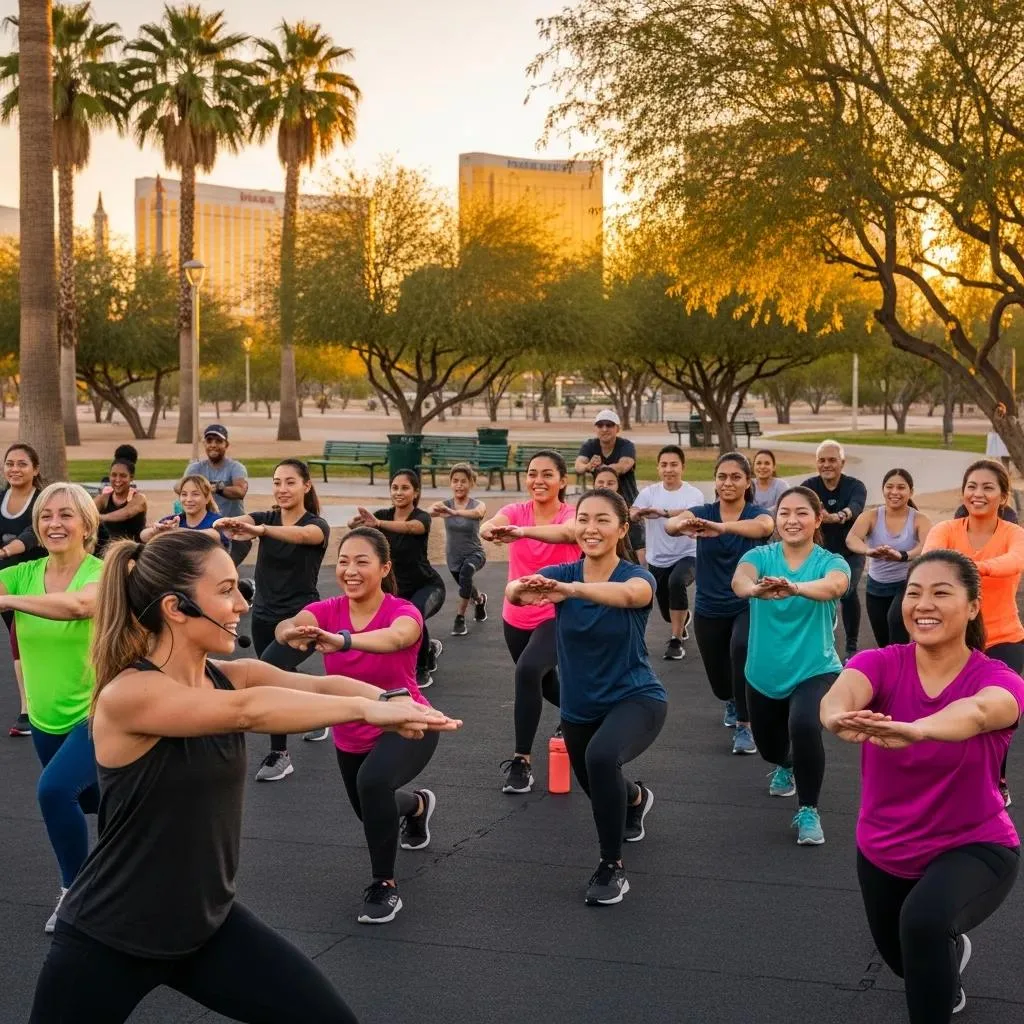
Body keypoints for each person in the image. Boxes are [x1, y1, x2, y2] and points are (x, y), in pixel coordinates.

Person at [29, 529, 459, 1023]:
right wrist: (364, 708)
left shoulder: (229, 673)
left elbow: (317, 683)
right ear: (176, 607)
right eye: (227, 589)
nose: (241, 603)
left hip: (205, 926)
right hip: (110, 935)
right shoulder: (130, 696)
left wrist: (391, 701)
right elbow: (247, 713)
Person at [820, 550, 1022, 1023]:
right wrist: (834, 717)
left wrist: (920, 728)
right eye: (914, 592)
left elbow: (977, 711)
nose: (922, 604)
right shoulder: (881, 662)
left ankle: (938, 947)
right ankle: (944, 962)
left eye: (941, 592)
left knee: (924, 923)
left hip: (976, 846)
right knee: (907, 962)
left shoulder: (998, 679)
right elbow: (841, 693)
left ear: (973, 606)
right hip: (884, 848)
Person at [507, 488, 666, 906]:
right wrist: (525, 589)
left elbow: (631, 597)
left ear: (622, 529)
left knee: (600, 759)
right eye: (583, 519)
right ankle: (636, 797)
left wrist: (572, 591)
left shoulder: (637, 576)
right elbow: (515, 593)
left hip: (636, 699)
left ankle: (611, 866)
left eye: (602, 520)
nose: (590, 528)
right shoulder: (563, 571)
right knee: (599, 785)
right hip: (580, 706)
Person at [275, 527, 442, 924]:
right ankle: (417, 805)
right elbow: (288, 625)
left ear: (384, 568)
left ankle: (385, 885)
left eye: (362, 561)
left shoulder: (403, 612)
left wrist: (344, 641)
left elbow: (394, 638)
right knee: (371, 811)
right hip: (353, 731)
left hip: (408, 723)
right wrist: (292, 632)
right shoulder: (328, 609)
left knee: (372, 784)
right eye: (344, 561)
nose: (350, 570)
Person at [0, 483, 103, 931]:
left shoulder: (105, 572)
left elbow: (79, 607)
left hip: (98, 714)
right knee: (94, 803)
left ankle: (75, 895)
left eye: (65, 515)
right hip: (46, 717)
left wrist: (7, 601)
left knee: (54, 792)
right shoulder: (23, 573)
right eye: (46, 516)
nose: (54, 524)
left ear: (86, 523)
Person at [732, 486, 849, 846]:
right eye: (784, 513)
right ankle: (785, 764)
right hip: (764, 672)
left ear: (817, 519)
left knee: (803, 724)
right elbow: (740, 582)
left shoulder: (831, 561)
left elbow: (834, 587)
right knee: (769, 749)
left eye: (801, 513)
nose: (791, 520)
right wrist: (754, 591)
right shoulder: (760, 556)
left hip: (816, 668)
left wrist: (795, 588)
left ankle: (809, 809)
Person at [214, 459, 331, 781]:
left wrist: (260, 531)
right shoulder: (264, 517)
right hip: (263, 616)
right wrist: (227, 523)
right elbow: (243, 519)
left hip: (300, 619)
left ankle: (280, 754)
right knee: (280, 672)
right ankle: (317, 708)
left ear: (306, 485)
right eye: (277, 482)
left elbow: (301, 536)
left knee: (267, 675)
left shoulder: (317, 525)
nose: (282, 489)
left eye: (290, 482)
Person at [923, 459, 1024, 806]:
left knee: (995, 715)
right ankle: (951, 781)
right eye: (972, 486)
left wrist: (972, 567)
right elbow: (931, 557)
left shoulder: (1015, 535)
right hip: (954, 640)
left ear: (1003, 496)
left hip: (1003, 638)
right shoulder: (947, 529)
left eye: (987, 487)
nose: (977, 493)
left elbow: (1014, 562)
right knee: (950, 711)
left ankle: (996, 779)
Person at [482, 449, 580, 794]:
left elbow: (568, 535)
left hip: (556, 614)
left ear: (563, 481)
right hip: (516, 615)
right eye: (532, 473)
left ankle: (522, 761)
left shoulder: (571, 514)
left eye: (547, 474)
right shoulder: (515, 511)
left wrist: (522, 532)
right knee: (540, 682)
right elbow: (490, 524)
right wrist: (492, 530)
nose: (538, 480)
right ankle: (584, 709)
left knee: (526, 671)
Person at [666, 451, 774, 754]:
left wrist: (722, 528)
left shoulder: (755, 513)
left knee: (741, 650)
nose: (728, 482)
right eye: (722, 476)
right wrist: (679, 525)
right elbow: (673, 524)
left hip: (746, 603)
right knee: (719, 681)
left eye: (736, 477)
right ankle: (730, 699)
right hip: (708, 606)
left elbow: (765, 527)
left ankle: (745, 725)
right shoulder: (703, 511)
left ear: (747, 482)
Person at [350, 470, 446, 689]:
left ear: (416, 492)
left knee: (415, 614)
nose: (399, 492)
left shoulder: (421, 517)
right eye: (395, 487)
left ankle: (421, 667)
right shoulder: (383, 514)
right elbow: (360, 529)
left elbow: (413, 528)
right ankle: (428, 649)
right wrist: (353, 523)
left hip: (428, 586)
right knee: (385, 621)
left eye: (405, 488)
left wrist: (379, 524)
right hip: (397, 589)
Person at [631, 445, 705, 660]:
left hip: (688, 555)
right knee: (666, 610)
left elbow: (690, 514)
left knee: (676, 582)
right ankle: (681, 621)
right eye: (664, 465)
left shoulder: (693, 494)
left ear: (683, 467)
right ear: (658, 468)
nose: (669, 469)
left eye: (674, 465)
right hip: (658, 559)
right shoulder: (650, 492)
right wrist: (639, 514)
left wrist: (662, 512)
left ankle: (676, 641)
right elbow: (633, 511)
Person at [846, 468, 931, 648]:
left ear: (911, 491)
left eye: (901, 488)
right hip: (876, 586)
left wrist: (903, 556)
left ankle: (905, 671)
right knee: (884, 641)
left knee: (896, 622)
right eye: (889, 487)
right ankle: (893, 671)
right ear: (883, 489)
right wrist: (868, 551)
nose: (894, 492)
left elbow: (927, 545)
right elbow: (852, 539)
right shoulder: (872, 516)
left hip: (906, 584)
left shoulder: (919, 519)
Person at [801, 440, 867, 660]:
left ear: (842, 462)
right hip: (819, 553)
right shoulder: (808, 486)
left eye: (832, 460)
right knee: (814, 595)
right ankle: (817, 643)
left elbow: (856, 507)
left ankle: (851, 647)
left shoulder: (855, 486)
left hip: (850, 552)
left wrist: (838, 516)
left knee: (847, 592)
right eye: (822, 460)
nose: (826, 464)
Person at [0, 442, 45, 737]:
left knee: (24, 640)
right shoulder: (1, 498)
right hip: (5, 580)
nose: (14, 469)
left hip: (36, 579)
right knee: (19, 643)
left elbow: (32, 534)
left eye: (21, 464)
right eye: (10, 463)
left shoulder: (42, 500)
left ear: (35, 469)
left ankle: (28, 711)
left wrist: (4, 552)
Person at [575, 409, 644, 560]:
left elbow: (625, 464)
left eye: (609, 425)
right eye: (600, 425)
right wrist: (588, 466)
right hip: (600, 504)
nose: (604, 429)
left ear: (617, 429)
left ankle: (645, 577)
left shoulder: (626, 445)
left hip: (627, 503)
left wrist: (602, 468)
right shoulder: (590, 445)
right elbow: (578, 465)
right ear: (596, 428)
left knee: (635, 545)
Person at [429, 462, 488, 636]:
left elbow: (478, 514)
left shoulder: (478, 504)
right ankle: (479, 600)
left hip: (475, 553)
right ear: (451, 483)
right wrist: (435, 510)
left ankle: (459, 618)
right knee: (466, 584)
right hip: (453, 557)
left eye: (463, 481)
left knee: (466, 573)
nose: (459, 485)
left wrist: (454, 512)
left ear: (471, 483)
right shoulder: (445, 504)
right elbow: (429, 510)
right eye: (455, 481)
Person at [182, 424, 251, 566]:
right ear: (204, 444)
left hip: (234, 532)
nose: (213, 445)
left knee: (224, 567)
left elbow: (240, 491)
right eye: (209, 441)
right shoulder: (195, 468)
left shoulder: (235, 467)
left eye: (218, 441)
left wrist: (217, 487)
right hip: (204, 529)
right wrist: (200, 485)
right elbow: (179, 487)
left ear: (226, 444)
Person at [142, 475, 226, 547]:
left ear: (207, 498)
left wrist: (175, 531)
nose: (188, 499)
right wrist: (157, 530)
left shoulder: (218, 521)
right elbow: (143, 536)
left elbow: (213, 535)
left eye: (195, 494)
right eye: (184, 494)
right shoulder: (173, 520)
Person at [94, 457, 148, 556]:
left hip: (135, 552)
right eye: (114, 475)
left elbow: (126, 513)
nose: (117, 480)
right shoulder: (103, 499)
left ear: (131, 478)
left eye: (123, 476)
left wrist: (98, 517)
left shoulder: (139, 499)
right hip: (110, 551)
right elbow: (86, 510)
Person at [751, 449, 789, 514]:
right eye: (758, 463)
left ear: (774, 467)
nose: (762, 467)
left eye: (767, 463)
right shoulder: (747, 486)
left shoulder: (782, 486)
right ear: (753, 466)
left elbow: (783, 507)